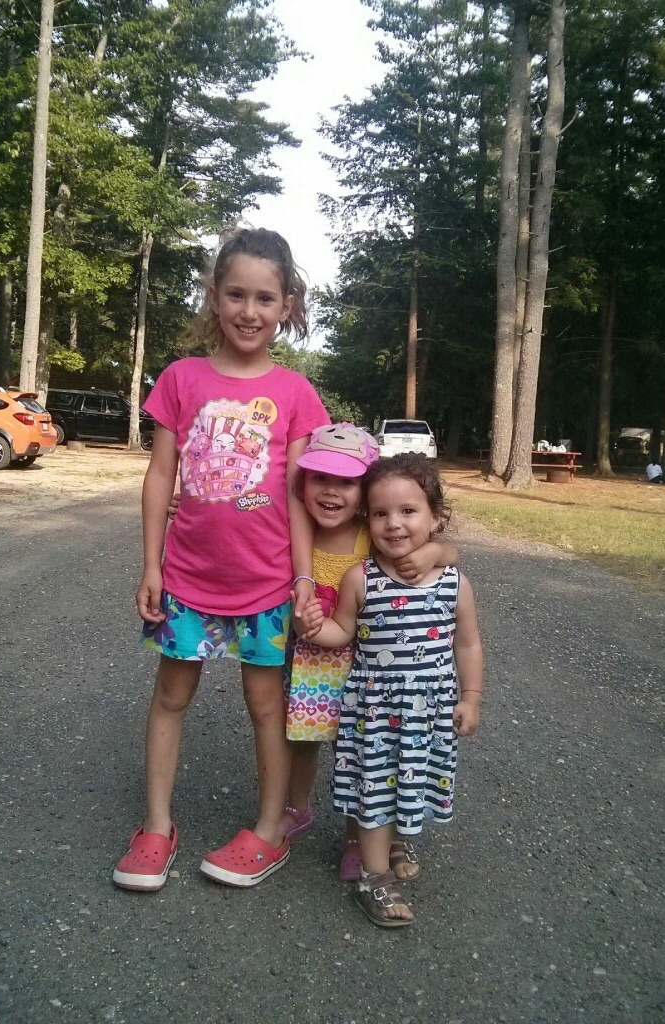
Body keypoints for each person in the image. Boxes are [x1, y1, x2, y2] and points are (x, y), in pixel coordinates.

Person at [112, 227, 329, 892]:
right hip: (186, 583)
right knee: (170, 696)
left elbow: (299, 496)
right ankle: (156, 826)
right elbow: (160, 477)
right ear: (213, 296)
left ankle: (269, 831)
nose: (249, 310)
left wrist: (303, 578)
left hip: (266, 587)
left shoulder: (297, 394)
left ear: (287, 305)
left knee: (266, 707)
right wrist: (151, 566)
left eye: (265, 298)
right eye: (236, 294)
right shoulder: (181, 379)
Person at [293, 453, 483, 928]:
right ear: (368, 520)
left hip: (427, 713)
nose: (393, 523)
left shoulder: (455, 584)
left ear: (435, 518)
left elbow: (468, 643)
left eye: (408, 511)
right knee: (376, 788)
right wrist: (311, 627)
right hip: (375, 713)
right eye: (380, 513)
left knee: (410, 778)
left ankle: (396, 840)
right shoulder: (361, 577)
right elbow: (342, 631)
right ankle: (374, 878)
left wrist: (471, 697)